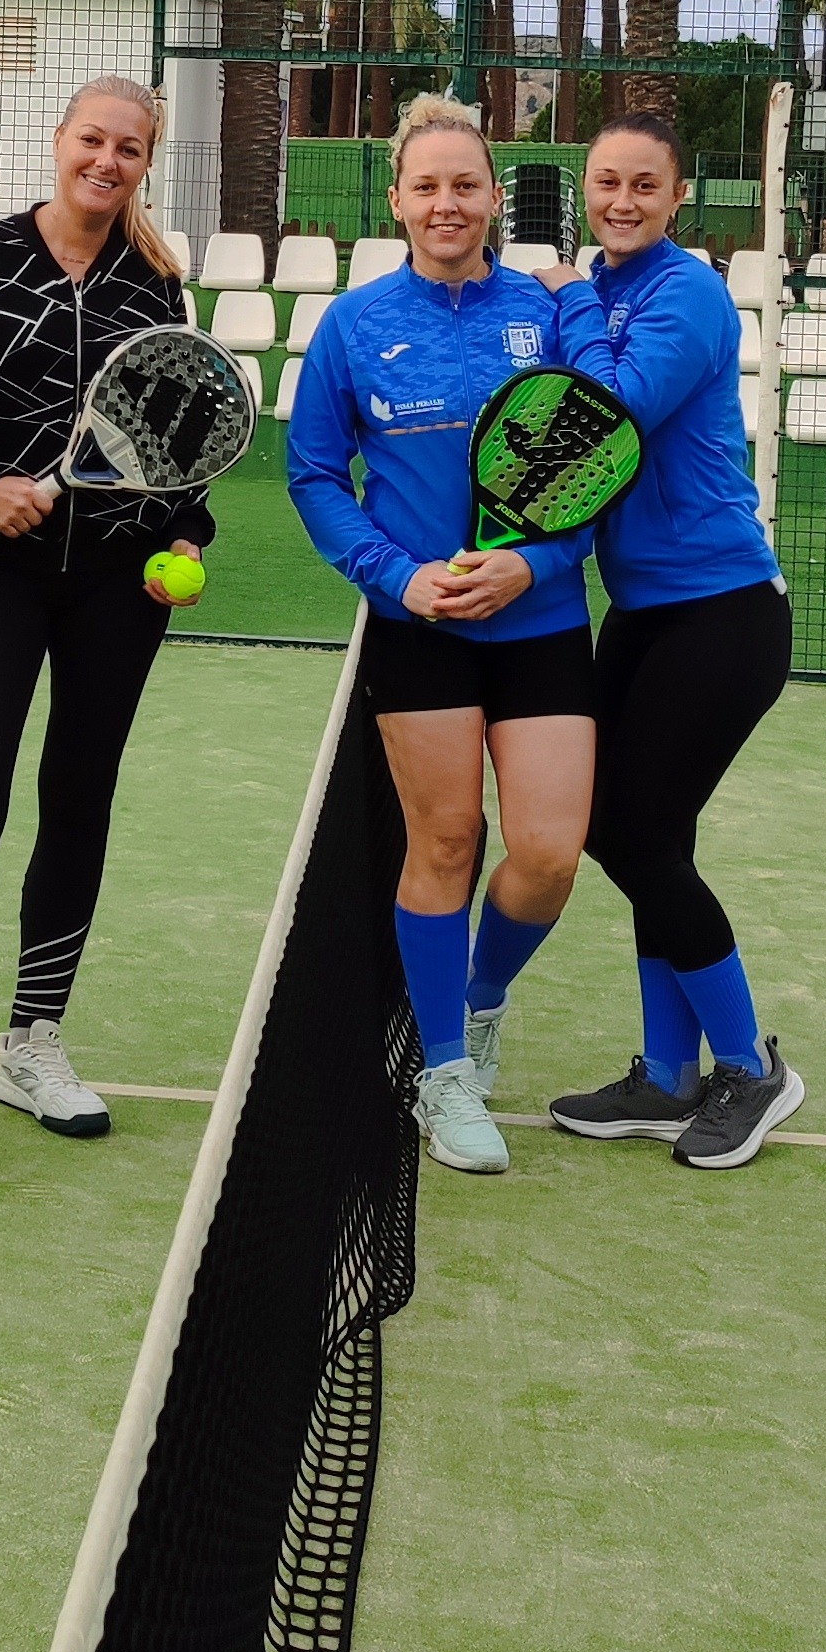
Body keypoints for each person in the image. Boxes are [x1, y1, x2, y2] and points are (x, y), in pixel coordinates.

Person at [0, 75, 211, 1192]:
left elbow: (176, 433)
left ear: (145, 164)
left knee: (78, 800)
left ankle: (30, 1043)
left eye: (129, 149)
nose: (107, 162)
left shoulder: (156, 285)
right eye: (92, 140)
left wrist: (188, 533)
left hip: (119, 587)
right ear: (59, 141)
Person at [286, 95, 597, 1176]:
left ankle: (480, 994)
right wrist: (400, 579)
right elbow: (314, 476)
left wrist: (534, 564)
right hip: (417, 625)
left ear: (495, 196)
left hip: (542, 617)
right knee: (449, 841)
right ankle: (446, 1070)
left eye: (465, 184)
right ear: (397, 201)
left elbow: (595, 462)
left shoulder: (547, 314)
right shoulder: (354, 324)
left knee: (549, 855)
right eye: (427, 186)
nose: (446, 202)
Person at [537, 113, 804, 1172]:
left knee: (637, 836)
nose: (623, 200)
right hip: (640, 611)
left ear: (679, 195)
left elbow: (610, 407)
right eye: (607, 181)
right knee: (635, 835)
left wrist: (568, 298)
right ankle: (666, 1073)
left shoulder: (686, 292)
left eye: (645, 184)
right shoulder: (602, 289)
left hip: (724, 611)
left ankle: (748, 1066)